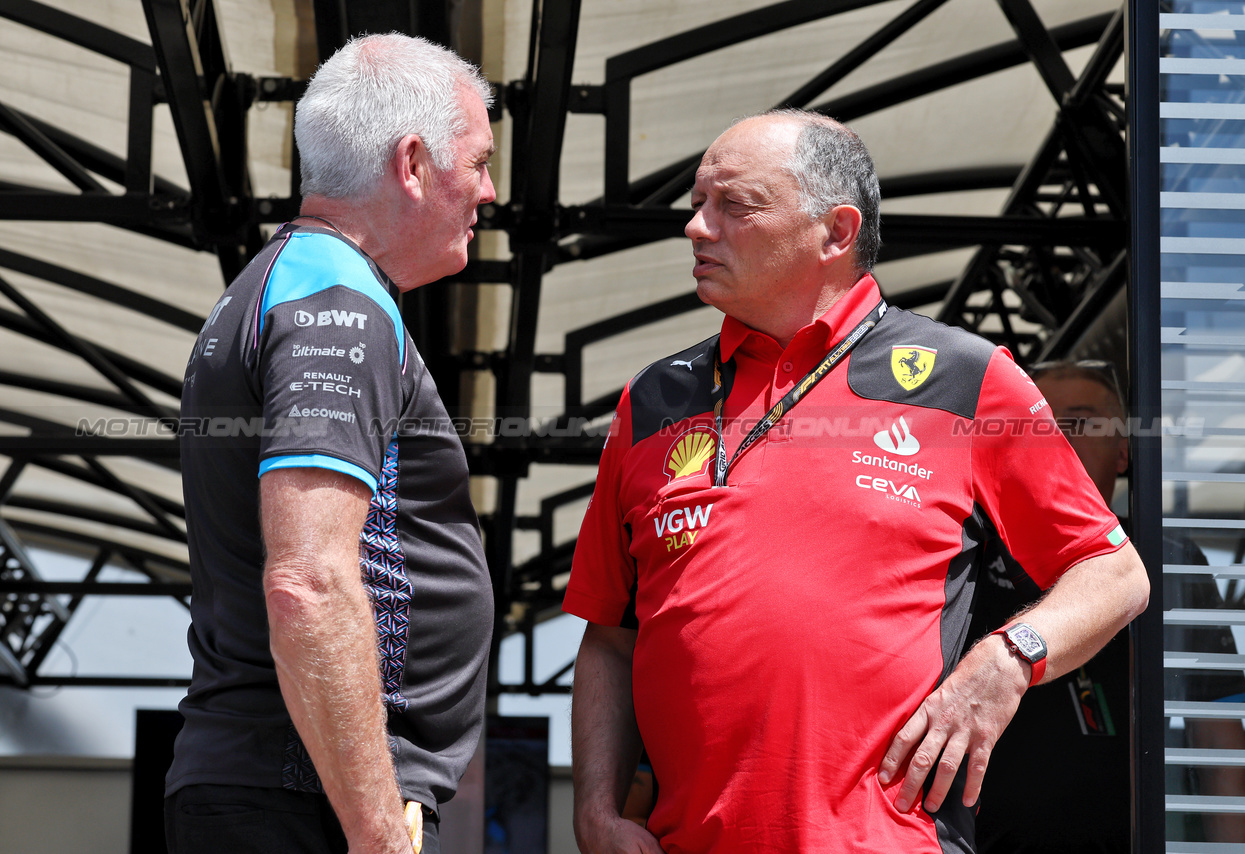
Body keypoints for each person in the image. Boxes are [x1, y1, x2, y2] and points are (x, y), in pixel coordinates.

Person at [563, 109, 1150, 853]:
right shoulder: (651, 402)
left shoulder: (966, 380)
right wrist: (595, 811)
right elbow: (609, 640)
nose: (696, 228)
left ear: (836, 233)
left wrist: (1006, 661)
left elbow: (1113, 572)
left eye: (733, 206)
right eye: (695, 206)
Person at [165, 34, 496, 854]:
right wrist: (380, 829)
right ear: (413, 163)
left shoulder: (294, 282)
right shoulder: (336, 300)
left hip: (285, 788)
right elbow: (309, 583)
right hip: (302, 798)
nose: (489, 191)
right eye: (481, 160)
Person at [971, 361, 1245, 852]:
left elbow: (1219, 748)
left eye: (1078, 423)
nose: (1055, 440)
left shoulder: (1169, 559)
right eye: (1037, 424)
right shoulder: (961, 552)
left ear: (1124, 451)